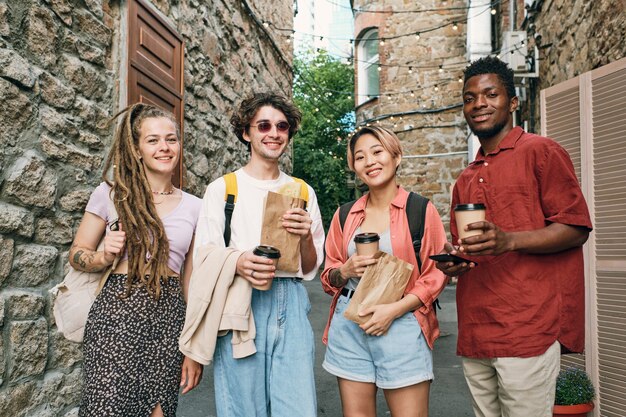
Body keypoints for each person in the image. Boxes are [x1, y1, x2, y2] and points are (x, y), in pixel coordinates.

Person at [435, 57, 592, 417]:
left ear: (513, 101)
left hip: (528, 327)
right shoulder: (465, 178)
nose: (479, 104)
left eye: (491, 94)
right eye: (470, 97)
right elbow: (473, 251)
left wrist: (509, 241)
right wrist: (456, 262)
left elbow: (576, 228)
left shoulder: (541, 152)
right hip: (476, 327)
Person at [194, 92, 325, 417]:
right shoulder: (223, 189)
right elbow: (203, 256)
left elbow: (310, 268)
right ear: (246, 133)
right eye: (263, 125)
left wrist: (305, 234)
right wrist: (239, 260)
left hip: (292, 302)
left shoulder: (302, 191)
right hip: (240, 302)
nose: (274, 133)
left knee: (297, 409)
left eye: (282, 126)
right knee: (244, 409)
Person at [70, 103, 203, 417]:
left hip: (169, 316)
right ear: (137, 148)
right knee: (107, 407)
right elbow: (77, 254)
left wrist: (193, 347)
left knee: (159, 411)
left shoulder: (196, 207)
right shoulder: (110, 194)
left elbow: (191, 281)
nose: (164, 147)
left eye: (171, 139)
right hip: (116, 312)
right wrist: (103, 255)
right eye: (153, 140)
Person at [321, 126, 448, 417]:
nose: (370, 161)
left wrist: (392, 311)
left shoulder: (419, 210)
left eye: (377, 152)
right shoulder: (344, 214)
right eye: (360, 157)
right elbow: (328, 277)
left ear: (396, 156)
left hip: (401, 323)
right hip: (350, 322)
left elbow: (435, 275)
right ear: (354, 167)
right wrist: (345, 270)